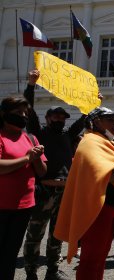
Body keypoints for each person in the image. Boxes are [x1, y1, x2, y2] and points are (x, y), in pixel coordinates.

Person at [54, 107, 114, 280]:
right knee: (91, 259)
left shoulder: (104, 141)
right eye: (110, 119)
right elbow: (98, 173)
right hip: (96, 212)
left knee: (100, 258)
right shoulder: (91, 141)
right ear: (96, 121)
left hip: (108, 212)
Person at [23, 69, 87, 280]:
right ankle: (31, 272)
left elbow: (82, 121)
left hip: (64, 192)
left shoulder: (68, 136)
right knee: (35, 234)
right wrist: (31, 85)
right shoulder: (38, 132)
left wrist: (90, 104)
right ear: (48, 118)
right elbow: (29, 109)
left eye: (63, 116)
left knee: (57, 234)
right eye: (56, 115)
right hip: (44, 191)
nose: (60, 118)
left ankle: (52, 270)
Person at [0, 97, 47, 280]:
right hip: (2, 206)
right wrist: (26, 159)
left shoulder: (30, 138)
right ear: (4, 114)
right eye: (19, 113)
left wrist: (36, 159)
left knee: (10, 253)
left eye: (25, 113)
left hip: (24, 207)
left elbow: (42, 172)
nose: (23, 116)